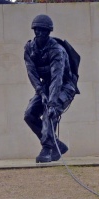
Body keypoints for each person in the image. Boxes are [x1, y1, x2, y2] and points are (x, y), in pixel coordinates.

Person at [23, 14, 81, 163]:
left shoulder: (57, 50)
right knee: (29, 115)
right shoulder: (29, 48)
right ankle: (56, 144)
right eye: (37, 30)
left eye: (44, 30)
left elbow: (58, 77)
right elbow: (32, 73)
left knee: (50, 112)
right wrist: (41, 92)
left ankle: (48, 148)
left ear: (49, 32)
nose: (40, 33)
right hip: (45, 85)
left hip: (65, 86)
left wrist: (53, 102)